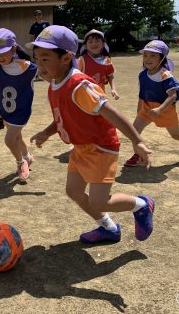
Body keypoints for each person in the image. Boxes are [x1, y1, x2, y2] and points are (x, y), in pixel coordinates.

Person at [28, 25, 155, 244]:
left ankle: (142, 205)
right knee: (74, 191)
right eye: (37, 59)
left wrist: (137, 141)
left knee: (99, 201)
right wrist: (47, 132)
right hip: (81, 147)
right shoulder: (55, 85)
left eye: (45, 59)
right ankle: (109, 228)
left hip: (100, 148)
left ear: (67, 57)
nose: (39, 65)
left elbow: (111, 113)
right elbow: (64, 116)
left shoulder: (80, 86)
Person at [125, 40, 179, 166]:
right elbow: (142, 93)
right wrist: (139, 109)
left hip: (165, 109)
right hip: (147, 108)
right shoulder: (142, 75)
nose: (148, 58)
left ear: (162, 58)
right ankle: (139, 154)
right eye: (145, 55)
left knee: (175, 135)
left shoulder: (165, 75)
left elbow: (173, 95)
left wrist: (159, 110)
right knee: (134, 132)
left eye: (153, 55)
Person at [0, 28, 38, 181]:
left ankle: (21, 162)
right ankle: (27, 156)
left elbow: (48, 74)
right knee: (17, 138)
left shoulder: (26, 66)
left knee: (9, 140)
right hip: (5, 111)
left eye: (4, 52)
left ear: (14, 49)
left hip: (21, 112)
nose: (0, 56)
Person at [77, 29, 119, 99]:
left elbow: (110, 76)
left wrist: (113, 89)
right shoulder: (82, 60)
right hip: (85, 96)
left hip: (100, 95)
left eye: (97, 41)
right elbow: (76, 77)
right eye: (90, 41)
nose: (94, 44)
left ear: (103, 44)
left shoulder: (107, 60)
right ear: (85, 46)